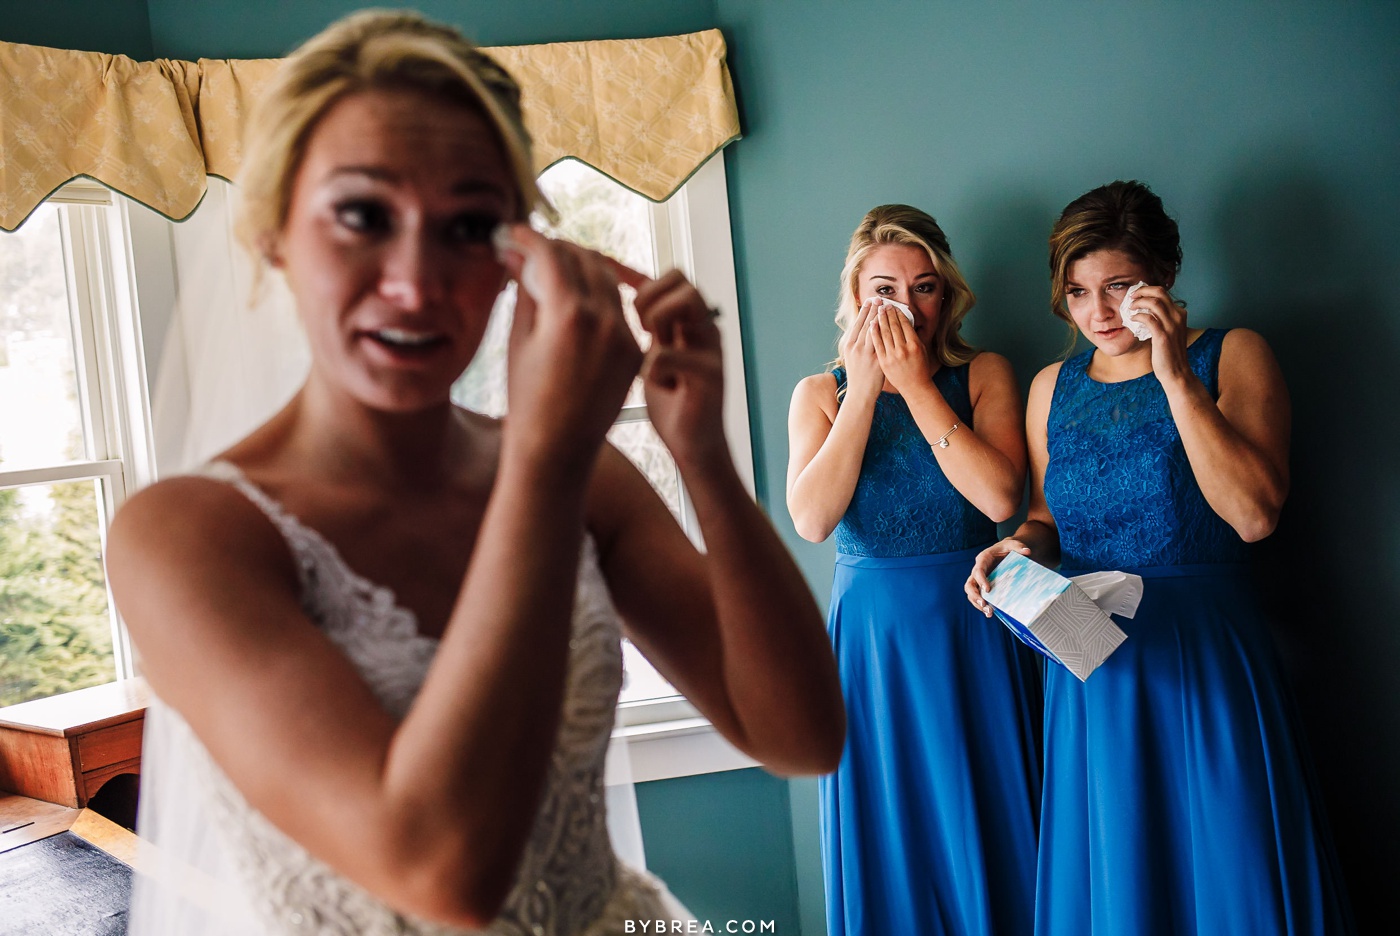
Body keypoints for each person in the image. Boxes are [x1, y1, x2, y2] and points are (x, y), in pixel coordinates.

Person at [107, 10, 845, 935]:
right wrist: (545, 460)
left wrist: (703, 458)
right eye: (362, 216)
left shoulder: (586, 476)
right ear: (273, 232)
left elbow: (802, 738)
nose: (415, 281)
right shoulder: (186, 535)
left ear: (516, 259)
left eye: (466, 227)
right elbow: (443, 879)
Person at [966, 180, 1353, 934]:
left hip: (1205, 655)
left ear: (1162, 277)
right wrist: (1016, 546)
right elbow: (1047, 515)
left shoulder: (1232, 355)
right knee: (1119, 878)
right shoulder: (1052, 386)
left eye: (1117, 286)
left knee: (1227, 866)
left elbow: (1253, 514)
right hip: (1091, 656)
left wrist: (1175, 374)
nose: (1099, 313)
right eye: (1078, 292)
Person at [787, 204, 1041, 936]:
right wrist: (865, 389)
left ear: (947, 295)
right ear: (857, 298)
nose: (908, 306)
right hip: (873, 646)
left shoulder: (983, 373)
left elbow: (999, 497)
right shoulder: (820, 393)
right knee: (889, 823)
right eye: (885, 290)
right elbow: (811, 520)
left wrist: (918, 385)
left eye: (925, 287)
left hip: (974, 627)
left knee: (988, 817)